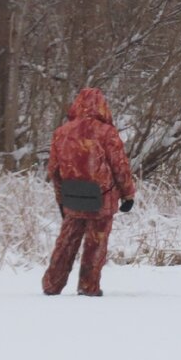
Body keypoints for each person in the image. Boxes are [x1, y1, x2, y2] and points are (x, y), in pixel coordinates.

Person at [42, 88, 136, 297]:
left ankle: (52, 284)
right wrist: (128, 194)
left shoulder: (62, 132)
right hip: (102, 197)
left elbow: (54, 170)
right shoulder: (106, 132)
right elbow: (119, 166)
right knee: (96, 243)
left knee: (66, 242)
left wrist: (60, 197)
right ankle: (88, 286)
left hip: (72, 196)